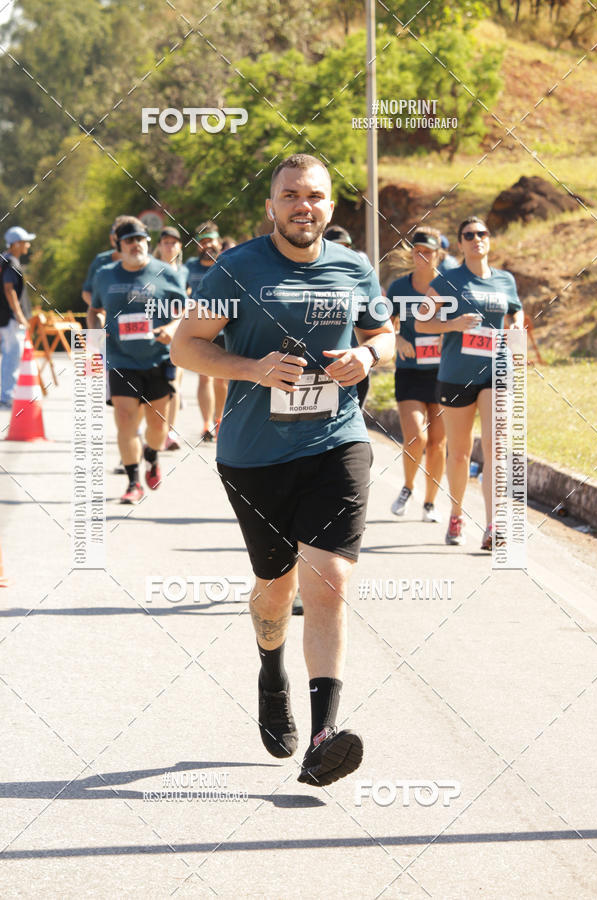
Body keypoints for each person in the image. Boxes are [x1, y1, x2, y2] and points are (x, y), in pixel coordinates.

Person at [171, 153, 395, 786]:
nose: (304, 205)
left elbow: (385, 333)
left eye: (315, 195)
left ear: (331, 205)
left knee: (330, 578)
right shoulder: (235, 269)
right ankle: (272, 673)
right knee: (276, 587)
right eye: (291, 195)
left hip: (336, 442)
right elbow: (185, 346)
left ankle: (324, 737)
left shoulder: (354, 267)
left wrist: (368, 355)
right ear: (271, 205)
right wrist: (253, 369)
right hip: (254, 456)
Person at [415, 216, 524, 549]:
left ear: (489, 239)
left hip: (497, 369)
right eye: (469, 235)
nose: (477, 239)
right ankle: (456, 514)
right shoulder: (448, 280)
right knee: (460, 453)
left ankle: (493, 526)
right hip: (457, 375)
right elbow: (421, 322)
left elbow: (515, 311)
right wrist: (453, 324)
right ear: (460, 243)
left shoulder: (505, 280)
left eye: (482, 233)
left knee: (495, 446)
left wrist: (516, 326)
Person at [87, 218, 186, 503]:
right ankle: (133, 483)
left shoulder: (165, 272)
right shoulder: (105, 275)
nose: (135, 245)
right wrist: (95, 337)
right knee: (125, 418)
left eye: (140, 239)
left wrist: (171, 329)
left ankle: (151, 454)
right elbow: (93, 310)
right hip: (120, 358)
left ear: (147, 242)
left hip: (157, 358)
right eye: (129, 240)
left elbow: (185, 311)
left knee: (157, 426)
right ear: (118, 245)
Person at [387, 228, 446, 522]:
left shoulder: (450, 286)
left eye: (428, 252)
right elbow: (382, 323)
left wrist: (447, 337)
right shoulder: (399, 287)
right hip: (410, 370)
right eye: (418, 251)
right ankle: (408, 487)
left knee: (437, 443)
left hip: (444, 373)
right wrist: (397, 338)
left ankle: (430, 503)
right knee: (416, 437)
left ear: (439, 255)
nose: (422, 257)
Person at [323, 224, 374, 409]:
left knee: (353, 417)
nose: (342, 252)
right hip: (318, 367)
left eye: (346, 247)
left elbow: (382, 332)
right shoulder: (305, 280)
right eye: (336, 246)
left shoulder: (360, 277)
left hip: (353, 365)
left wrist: (368, 354)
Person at [186, 221, 228, 440]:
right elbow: (180, 291)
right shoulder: (190, 267)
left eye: (211, 240)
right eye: (203, 242)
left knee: (221, 379)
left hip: (224, 329)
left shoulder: (227, 263)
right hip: (199, 329)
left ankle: (219, 420)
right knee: (204, 378)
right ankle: (206, 424)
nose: (207, 245)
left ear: (219, 242)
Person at [153, 226, 188, 451]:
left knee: (174, 384)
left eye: (174, 242)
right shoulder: (151, 269)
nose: (169, 246)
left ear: (180, 246)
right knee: (156, 385)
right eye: (165, 242)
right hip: (155, 334)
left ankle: (170, 432)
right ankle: (152, 429)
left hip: (179, 332)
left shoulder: (184, 272)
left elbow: (191, 300)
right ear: (159, 246)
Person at [0, 226, 35, 408]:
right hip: (10, 319)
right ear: (15, 244)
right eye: (24, 242)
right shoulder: (12, 262)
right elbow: (9, 289)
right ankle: (7, 396)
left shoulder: (3, 260)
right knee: (11, 356)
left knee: (8, 354)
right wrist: (20, 315)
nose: (27, 245)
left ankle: (6, 394)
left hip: (4, 317)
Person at [81, 215, 128, 308]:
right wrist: (101, 310)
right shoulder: (101, 261)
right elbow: (87, 292)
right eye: (116, 234)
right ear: (111, 237)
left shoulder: (146, 263)